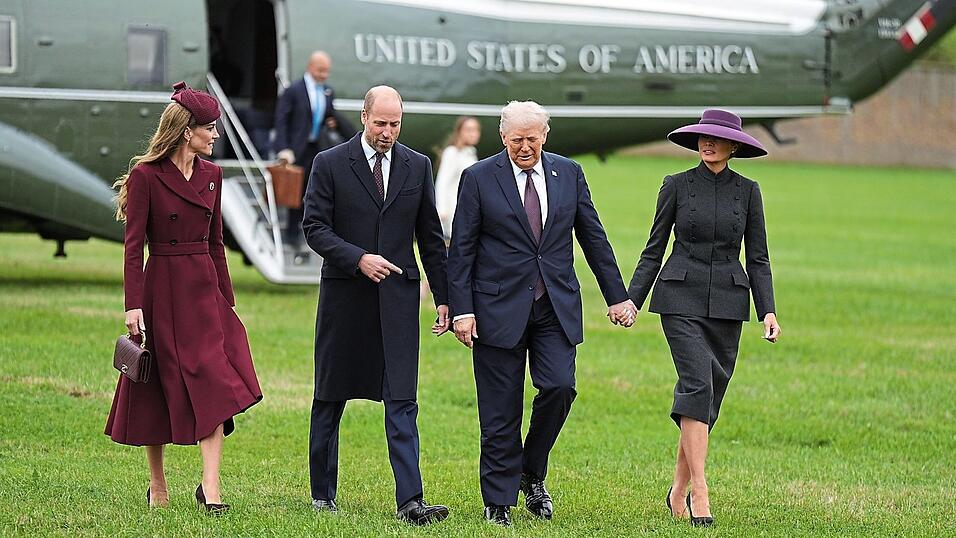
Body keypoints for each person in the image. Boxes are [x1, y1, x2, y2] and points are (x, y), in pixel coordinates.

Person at [446, 100, 637, 526]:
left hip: (554, 306)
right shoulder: (478, 178)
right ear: (503, 137)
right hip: (496, 309)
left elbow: (593, 237)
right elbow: (461, 249)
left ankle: (530, 472)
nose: (524, 147)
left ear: (545, 136)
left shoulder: (568, 173)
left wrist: (617, 296)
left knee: (559, 387)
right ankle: (498, 501)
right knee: (500, 410)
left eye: (532, 139)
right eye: (516, 139)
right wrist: (462, 310)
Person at [105, 82, 263, 514]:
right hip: (160, 289)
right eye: (209, 128)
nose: (215, 135)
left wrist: (226, 300)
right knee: (154, 384)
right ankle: (157, 484)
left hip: (203, 292)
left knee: (215, 380)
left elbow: (216, 243)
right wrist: (133, 305)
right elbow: (133, 247)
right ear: (186, 130)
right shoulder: (146, 176)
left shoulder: (213, 175)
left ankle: (211, 488)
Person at [301, 85, 451, 525]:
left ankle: (411, 501)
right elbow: (314, 227)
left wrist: (445, 298)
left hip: (398, 303)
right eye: (381, 123)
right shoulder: (329, 163)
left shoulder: (417, 165)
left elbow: (430, 239)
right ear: (364, 117)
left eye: (395, 124)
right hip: (344, 300)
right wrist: (358, 258)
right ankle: (322, 494)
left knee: (402, 399)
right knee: (330, 397)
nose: (388, 132)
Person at [626, 109, 781, 527]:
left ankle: (677, 490)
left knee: (707, 397)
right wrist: (632, 300)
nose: (707, 144)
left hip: (729, 304)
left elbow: (759, 257)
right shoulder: (675, 185)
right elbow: (654, 248)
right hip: (679, 297)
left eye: (716, 138)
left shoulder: (748, 192)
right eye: (703, 137)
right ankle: (701, 490)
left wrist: (767, 310)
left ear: (734, 147)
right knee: (697, 384)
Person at [273, 51, 354, 250]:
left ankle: (310, 231)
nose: (324, 75)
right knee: (295, 191)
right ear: (310, 67)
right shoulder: (294, 90)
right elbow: (282, 120)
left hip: (317, 148)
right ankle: (291, 235)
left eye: (326, 71)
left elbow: (328, 114)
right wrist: (284, 148)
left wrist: (334, 124)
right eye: (320, 70)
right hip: (296, 149)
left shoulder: (327, 91)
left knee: (313, 191)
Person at [434, 116, 481, 241]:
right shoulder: (452, 152)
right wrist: (441, 209)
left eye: (476, 130)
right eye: (469, 130)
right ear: (460, 131)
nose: (473, 133)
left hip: (469, 210)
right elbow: (443, 181)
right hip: (452, 211)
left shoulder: (471, 153)